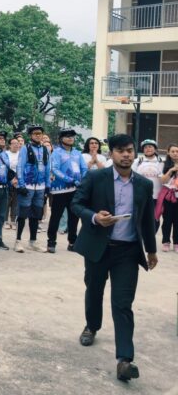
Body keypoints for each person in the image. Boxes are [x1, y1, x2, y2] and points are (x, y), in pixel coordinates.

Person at [72, 134, 158, 382]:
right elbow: (76, 204)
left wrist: (151, 250)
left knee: (122, 303)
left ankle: (125, 360)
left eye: (129, 150)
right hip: (98, 247)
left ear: (134, 153)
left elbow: (147, 219)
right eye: (120, 151)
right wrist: (94, 217)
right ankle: (92, 326)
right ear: (111, 154)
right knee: (94, 290)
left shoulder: (143, 184)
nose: (126, 155)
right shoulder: (95, 177)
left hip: (127, 251)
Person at [47, 128, 86, 253]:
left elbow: (84, 168)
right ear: (61, 139)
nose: (70, 138)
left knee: (74, 217)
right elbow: (55, 169)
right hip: (60, 190)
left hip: (75, 189)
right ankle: (51, 241)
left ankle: (72, 242)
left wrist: (84, 180)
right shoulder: (56, 153)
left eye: (72, 136)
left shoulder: (77, 153)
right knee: (56, 216)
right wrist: (69, 180)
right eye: (67, 136)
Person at [14, 123, 51, 253]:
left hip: (40, 187)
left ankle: (33, 241)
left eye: (40, 133)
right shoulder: (25, 148)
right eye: (35, 133)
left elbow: (48, 168)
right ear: (30, 135)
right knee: (22, 214)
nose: (38, 136)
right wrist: (21, 184)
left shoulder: (45, 149)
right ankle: (18, 241)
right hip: (27, 186)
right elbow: (20, 166)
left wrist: (48, 186)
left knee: (36, 215)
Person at [131, 141, 162, 230]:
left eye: (150, 147)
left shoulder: (161, 162)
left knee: (155, 218)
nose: (148, 149)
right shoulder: (137, 161)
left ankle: (152, 235)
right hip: (141, 195)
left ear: (155, 149)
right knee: (140, 217)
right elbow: (132, 176)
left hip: (156, 196)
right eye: (145, 147)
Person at [157, 143, 178, 251]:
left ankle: (176, 243)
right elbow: (163, 181)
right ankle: (166, 242)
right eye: (173, 151)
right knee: (167, 220)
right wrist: (171, 170)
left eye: (177, 151)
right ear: (168, 153)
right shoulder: (163, 165)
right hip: (168, 195)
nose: (175, 153)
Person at [6, 136, 21, 229]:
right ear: (9, 145)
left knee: (16, 201)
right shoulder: (6, 154)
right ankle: (5, 221)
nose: (16, 145)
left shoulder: (21, 155)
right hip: (8, 179)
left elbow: (23, 167)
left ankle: (13, 221)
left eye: (17, 143)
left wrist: (17, 179)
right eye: (14, 143)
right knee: (7, 201)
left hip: (18, 179)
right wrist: (11, 179)